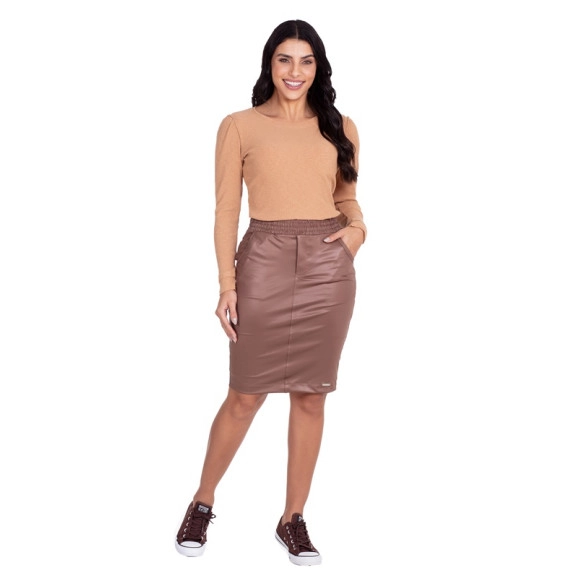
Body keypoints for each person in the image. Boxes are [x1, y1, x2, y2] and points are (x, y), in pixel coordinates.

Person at [174, 19, 367, 567]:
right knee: (245, 394)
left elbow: (348, 199)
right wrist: (227, 284)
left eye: (306, 60)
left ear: (318, 67)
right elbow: (226, 210)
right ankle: (202, 502)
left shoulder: (341, 127)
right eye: (285, 59)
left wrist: (356, 233)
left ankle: (292, 519)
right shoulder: (239, 125)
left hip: (328, 268)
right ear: (270, 64)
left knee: (311, 396)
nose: (295, 71)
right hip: (262, 261)